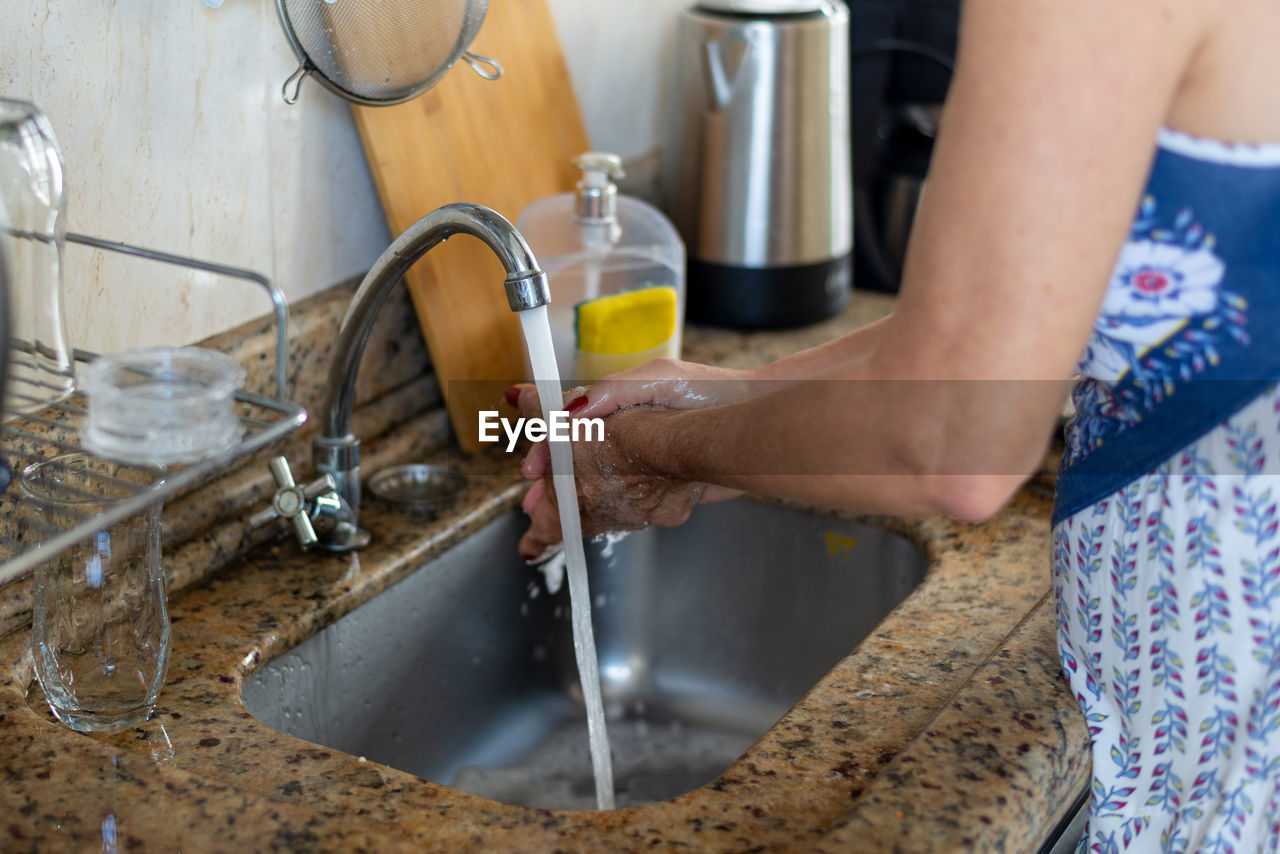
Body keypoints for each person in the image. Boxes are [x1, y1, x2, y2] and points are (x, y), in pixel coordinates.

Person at [507, 0, 1280, 848]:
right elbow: (1021, 314)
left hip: (1233, 711)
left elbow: (956, 440)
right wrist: (729, 401)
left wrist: (653, 450)